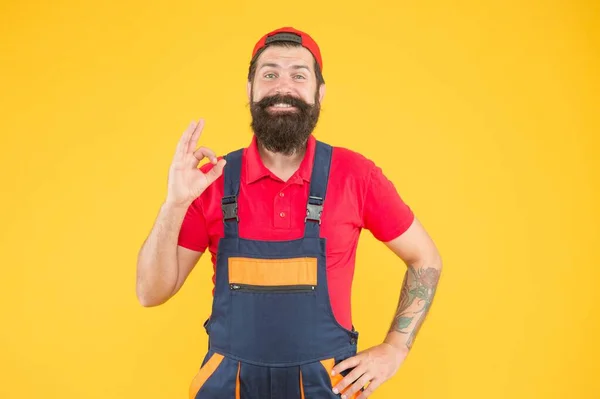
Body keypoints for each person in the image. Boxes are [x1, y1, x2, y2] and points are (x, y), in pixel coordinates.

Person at [136, 27, 442, 399]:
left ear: (319, 93)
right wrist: (174, 205)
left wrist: (395, 348)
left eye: (299, 74)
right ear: (250, 89)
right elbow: (150, 292)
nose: (284, 87)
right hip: (227, 389)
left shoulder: (356, 175)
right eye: (270, 74)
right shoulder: (211, 180)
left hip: (326, 388)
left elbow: (425, 258)